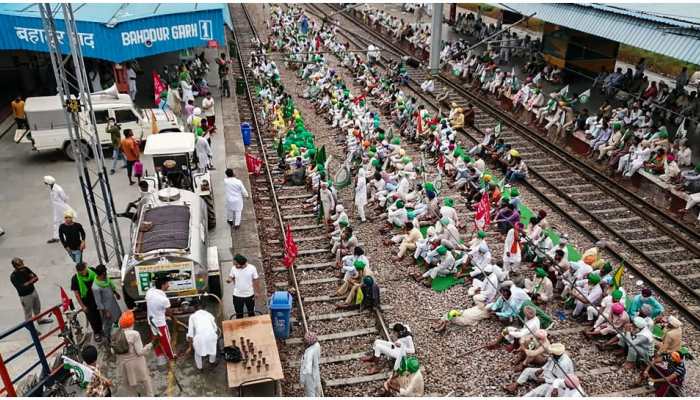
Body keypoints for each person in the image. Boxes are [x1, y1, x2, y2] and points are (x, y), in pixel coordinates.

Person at [116, 310, 155, 397]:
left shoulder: (117, 334)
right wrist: (150, 345)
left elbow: (113, 350)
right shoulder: (134, 334)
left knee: (130, 387)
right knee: (146, 381)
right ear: (132, 322)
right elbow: (140, 352)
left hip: (124, 366)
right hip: (137, 364)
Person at [10, 258, 52, 324]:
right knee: (28, 313)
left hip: (33, 291)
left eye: (22, 263)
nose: (23, 265)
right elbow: (22, 288)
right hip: (25, 297)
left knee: (37, 307)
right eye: (21, 264)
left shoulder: (26, 269)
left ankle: (39, 320)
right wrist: (30, 281)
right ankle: (32, 329)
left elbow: (36, 278)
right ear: (16, 266)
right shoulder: (13, 276)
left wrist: (28, 283)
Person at [145, 276, 175, 365]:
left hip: (151, 321)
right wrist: (174, 319)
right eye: (167, 284)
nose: (168, 286)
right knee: (166, 341)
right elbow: (169, 313)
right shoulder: (164, 300)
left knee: (156, 339)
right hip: (160, 323)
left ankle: (159, 356)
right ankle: (171, 356)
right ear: (162, 285)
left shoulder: (149, 292)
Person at [71, 262, 104, 342]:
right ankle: (96, 333)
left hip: (97, 298)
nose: (83, 272)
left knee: (101, 315)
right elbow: (76, 293)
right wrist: (83, 306)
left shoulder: (92, 271)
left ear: (86, 267)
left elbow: (100, 278)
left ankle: (102, 330)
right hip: (87, 302)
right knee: (92, 318)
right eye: (81, 271)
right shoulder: (75, 279)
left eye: (84, 270)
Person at [91, 264, 121, 346]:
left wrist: (116, 293)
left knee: (117, 318)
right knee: (107, 325)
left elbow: (110, 286)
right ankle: (107, 341)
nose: (106, 274)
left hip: (112, 303)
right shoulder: (96, 287)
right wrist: (105, 312)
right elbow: (98, 302)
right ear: (102, 273)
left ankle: (116, 335)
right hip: (106, 308)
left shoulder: (105, 280)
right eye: (105, 273)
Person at [185, 306, 218, 370]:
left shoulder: (192, 316)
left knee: (197, 353)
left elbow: (190, 334)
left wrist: (190, 347)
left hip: (200, 338)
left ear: (195, 309)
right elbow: (215, 328)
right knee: (213, 350)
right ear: (205, 309)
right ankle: (212, 363)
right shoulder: (209, 314)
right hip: (211, 336)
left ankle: (200, 368)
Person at [226, 254, 259, 318]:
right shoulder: (233, 268)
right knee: (239, 314)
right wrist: (229, 279)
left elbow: (256, 280)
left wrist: (256, 292)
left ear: (242, 264)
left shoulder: (252, 268)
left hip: (249, 295)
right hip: (237, 295)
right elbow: (231, 276)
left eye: (236, 264)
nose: (235, 266)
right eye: (234, 264)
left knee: (251, 313)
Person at [44, 176, 75, 244]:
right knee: (56, 221)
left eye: (46, 183)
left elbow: (64, 198)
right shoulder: (51, 188)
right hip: (56, 207)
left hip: (61, 207)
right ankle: (56, 237)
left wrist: (63, 205)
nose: (46, 185)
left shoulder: (58, 189)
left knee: (65, 220)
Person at [299, 331, 322, 396]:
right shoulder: (317, 345)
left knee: (310, 393)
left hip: (309, 377)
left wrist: (302, 380)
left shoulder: (309, 353)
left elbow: (307, 369)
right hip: (316, 372)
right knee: (317, 391)